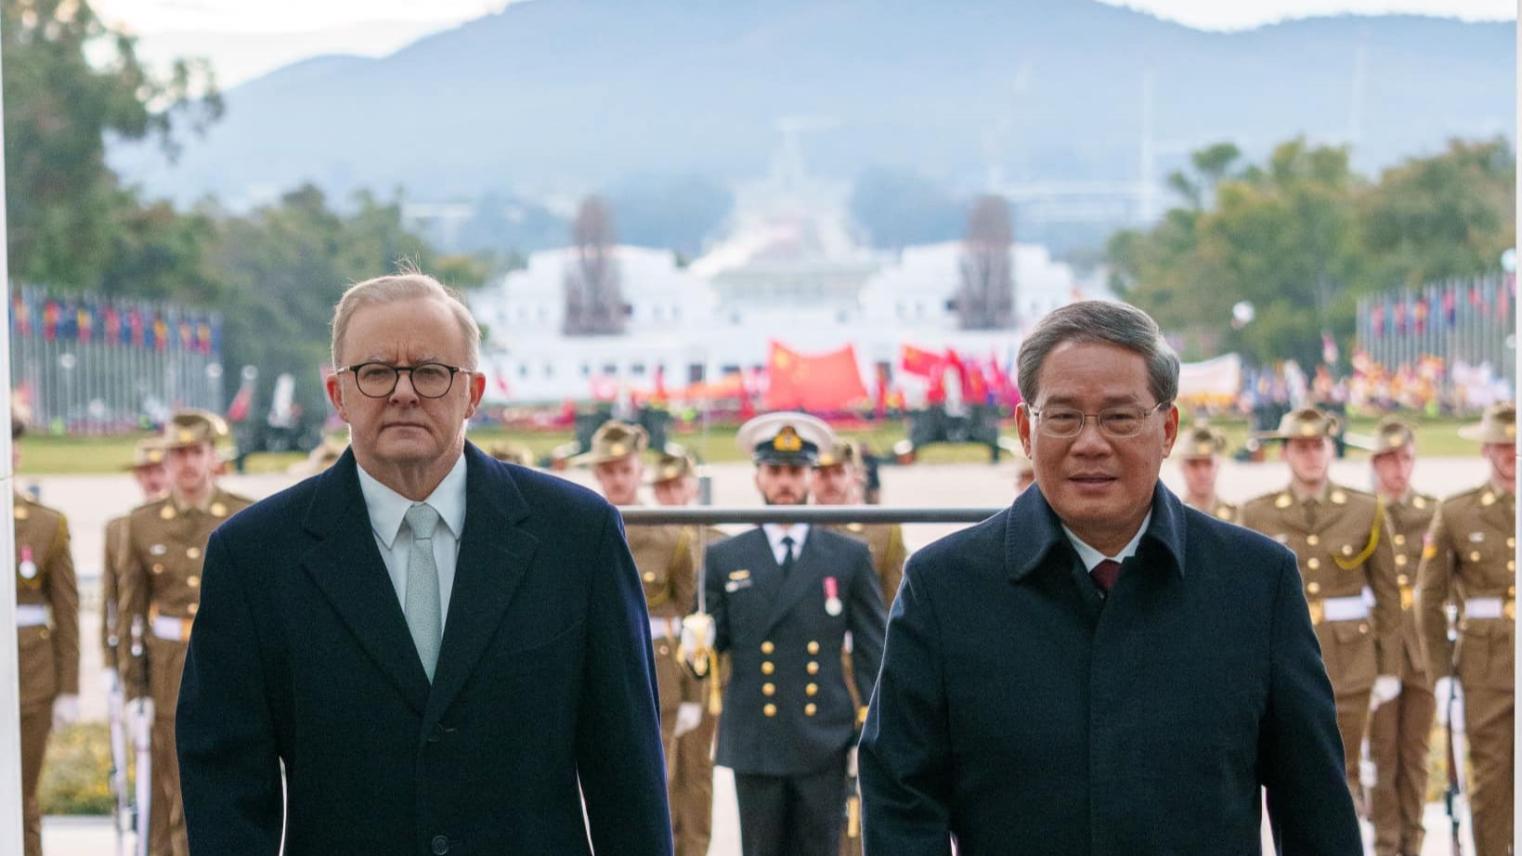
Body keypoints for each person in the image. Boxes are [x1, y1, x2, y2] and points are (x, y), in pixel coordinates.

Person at [174, 272, 671, 855]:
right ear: (338, 394)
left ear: (474, 393)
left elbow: (628, 773)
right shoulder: (254, 557)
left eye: (431, 372)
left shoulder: (577, 536)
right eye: (377, 371)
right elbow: (226, 788)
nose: (404, 392)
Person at [860, 300, 1359, 854]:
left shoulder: (1255, 583)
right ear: (1026, 429)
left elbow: (1314, 804)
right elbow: (901, 801)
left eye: (1120, 418)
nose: (1090, 443)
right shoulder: (945, 588)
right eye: (1065, 416)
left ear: (1167, 429)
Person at [685, 411, 887, 856]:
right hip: (757, 735)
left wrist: (871, 727)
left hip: (824, 735)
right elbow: (708, 654)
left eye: (795, 471)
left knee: (820, 849)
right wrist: (696, 639)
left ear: (811, 477)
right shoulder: (725, 557)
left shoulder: (847, 555)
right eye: (774, 471)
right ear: (757, 476)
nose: (785, 482)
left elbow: (874, 649)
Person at [1239, 406, 1401, 809]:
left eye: (1319, 446)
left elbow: (1388, 597)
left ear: (1332, 450)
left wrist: (1389, 669)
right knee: (1287, 777)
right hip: (1282, 664)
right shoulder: (1257, 513)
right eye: (1301, 447)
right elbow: (1244, 599)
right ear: (1285, 454)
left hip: (1350, 662)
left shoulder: (1366, 509)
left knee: (1342, 773)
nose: (1311, 455)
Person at [115, 409, 253, 856]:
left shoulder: (243, 515)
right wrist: (133, 690)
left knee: (238, 793)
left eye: (197, 451)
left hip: (231, 668)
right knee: (179, 798)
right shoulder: (142, 523)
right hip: (171, 669)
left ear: (214, 456)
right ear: (166, 460)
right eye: (179, 453)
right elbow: (129, 614)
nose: (188, 462)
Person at [577, 419, 707, 855]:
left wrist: (691, 692)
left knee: (657, 792)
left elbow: (690, 623)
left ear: (638, 470)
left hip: (658, 674)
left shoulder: (673, 536)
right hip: (586, 677)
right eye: (608, 470)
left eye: (625, 469)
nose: (617, 478)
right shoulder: (575, 528)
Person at [1415, 403, 1515, 856]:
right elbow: (1429, 598)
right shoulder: (1458, 511)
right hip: (1485, 665)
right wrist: (1440, 676)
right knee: (1491, 780)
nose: (1512, 454)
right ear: (1487, 449)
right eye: (1503, 446)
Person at [1363, 418, 1436, 856]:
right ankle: (1388, 844)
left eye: (1405, 458)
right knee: (1382, 757)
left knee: (1417, 756)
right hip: (1378, 652)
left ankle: (1415, 843)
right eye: (1389, 460)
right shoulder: (1363, 513)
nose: (1398, 469)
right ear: (1375, 464)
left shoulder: (1433, 511)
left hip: (1423, 650)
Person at [12, 418, 79, 856]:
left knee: (21, 799)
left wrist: (68, 689)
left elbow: (67, 612)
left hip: (28, 679)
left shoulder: (44, 524)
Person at [649, 444, 719, 856]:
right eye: (663, 487)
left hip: (708, 676)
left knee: (696, 772)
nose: (671, 493)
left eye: (678, 485)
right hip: (667, 671)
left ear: (693, 486)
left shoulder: (717, 541)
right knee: (664, 775)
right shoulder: (650, 536)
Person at [101, 438, 170, 853]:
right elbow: (116, 604)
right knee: (151, 781)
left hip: (175, 658)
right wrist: (114, 667)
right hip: (148, 665)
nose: (151, 478)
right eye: (143, 472)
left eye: (156, 469)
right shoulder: (122, 526)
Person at [1176, 423, 1237, 522]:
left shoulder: (1236, 518)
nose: (1202, 473)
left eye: (1208, 463)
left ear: (1218, 465)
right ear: (1182, 467)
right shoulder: (1174, 519)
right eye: (1194, 464)